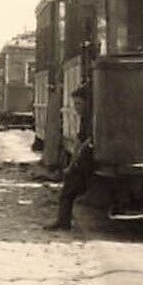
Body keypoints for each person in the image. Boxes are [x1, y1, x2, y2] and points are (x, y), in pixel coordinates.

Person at [44, 82, 94, 231]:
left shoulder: (91, 118)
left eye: (79, 103)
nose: (76, 107)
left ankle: (63, 222)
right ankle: (64, 220)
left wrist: (72, 166)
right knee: (70, 187)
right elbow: (79, 141)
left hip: (90, 160)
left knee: (68, 191)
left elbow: (86, 143)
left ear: (87, 103)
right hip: (87, 159)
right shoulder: (87, 117)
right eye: (75, 104)